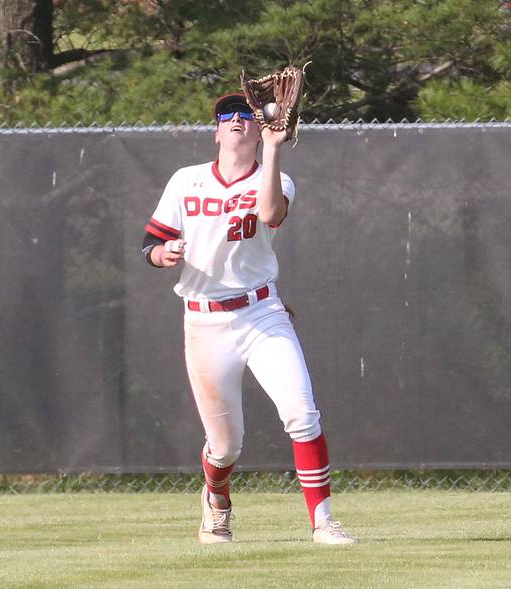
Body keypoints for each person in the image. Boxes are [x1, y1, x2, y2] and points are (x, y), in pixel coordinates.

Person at [141, 92, 356, 545]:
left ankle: (323, 522)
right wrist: (165, 253)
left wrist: (276, 148)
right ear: (216, 130)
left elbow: (270, 213)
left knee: (301, 413)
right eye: (227, 116)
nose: (237, 120)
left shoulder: (278, 178)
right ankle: (216, 499)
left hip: (261, 313)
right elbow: (150, 246)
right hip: (204, 323)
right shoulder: (186, 181)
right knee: (225, 446)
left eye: (246, 116)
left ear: (259, 130)